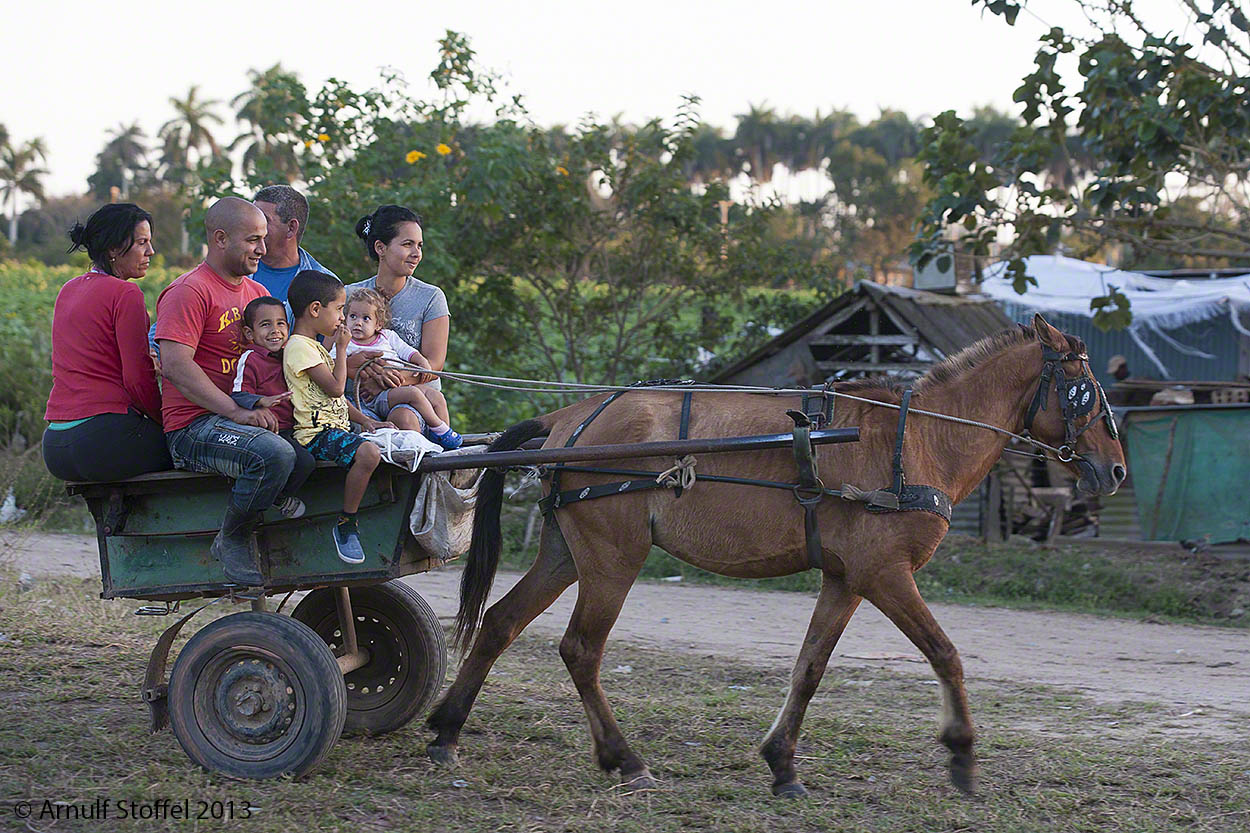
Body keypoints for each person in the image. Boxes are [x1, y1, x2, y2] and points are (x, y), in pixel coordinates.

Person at [156, 197, 295, 586]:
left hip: (242, 417)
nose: (263, 250)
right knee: (274, 453)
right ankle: (232, 537)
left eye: (264, 239)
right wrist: (236, 412)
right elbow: (176, 366)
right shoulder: (189, 291)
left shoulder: (255, 292)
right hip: (194, 425)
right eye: (253, 240)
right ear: (220, 239)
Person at [43, 203, 172, 481]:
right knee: (193, 449)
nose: (150, 252)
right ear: (113, 249)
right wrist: (167, 422)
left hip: (55, 445)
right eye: (141, 243)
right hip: (102, 439)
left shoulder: (69, 289)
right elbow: (138, 379)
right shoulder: (126, 294)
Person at [284, 270, 391, 563]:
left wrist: (367, 420)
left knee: (389, 442)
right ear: (315, 310)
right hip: (314, 434)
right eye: (340, 309)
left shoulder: (316, 347)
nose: (342, 318)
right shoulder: (298, 348)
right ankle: (347, 523)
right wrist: (342, 350)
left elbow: (339, 400)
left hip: (335, 428)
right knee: (368, 454)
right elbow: (334, 388)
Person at [345, 205, 450, 434]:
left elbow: (434, 364)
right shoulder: (348, 295)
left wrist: (387, 381)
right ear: (381, 248)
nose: (416, 253)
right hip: (360, 399)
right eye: (407, 244)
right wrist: (358, 372)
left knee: (403, 418)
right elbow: (327, 354)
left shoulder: (431, 297)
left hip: (414, 397)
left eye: (419, 246)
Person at [334, 288, 462, 449]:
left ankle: (444, 437)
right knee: (413, 393)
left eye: (366, 318)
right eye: (353, 316)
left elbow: (408, 352)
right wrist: (349, 363)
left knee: (436, 396)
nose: (358, 322)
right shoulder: (346, 342)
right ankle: (438, 427)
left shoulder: (387, 336)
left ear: (378, 324)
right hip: (374, 397)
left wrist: (422, 362)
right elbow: (331, 363)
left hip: (397, 387)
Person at [230, 296, 315, 518]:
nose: (275, 330)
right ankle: (276, 498)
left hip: (298, 426)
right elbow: (238, 392)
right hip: (269, 431)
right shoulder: (250, 359)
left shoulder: (292, 354)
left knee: (320, 452)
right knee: (304, 461)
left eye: (280, 323)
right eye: (265, 325)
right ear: (250, 334)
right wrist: (259, 401)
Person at [251, 185, 336, 301]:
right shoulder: (232, 269)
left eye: (264, 220)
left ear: (291, 228)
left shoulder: (327, 288)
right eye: (253, 218)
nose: (253, 226)